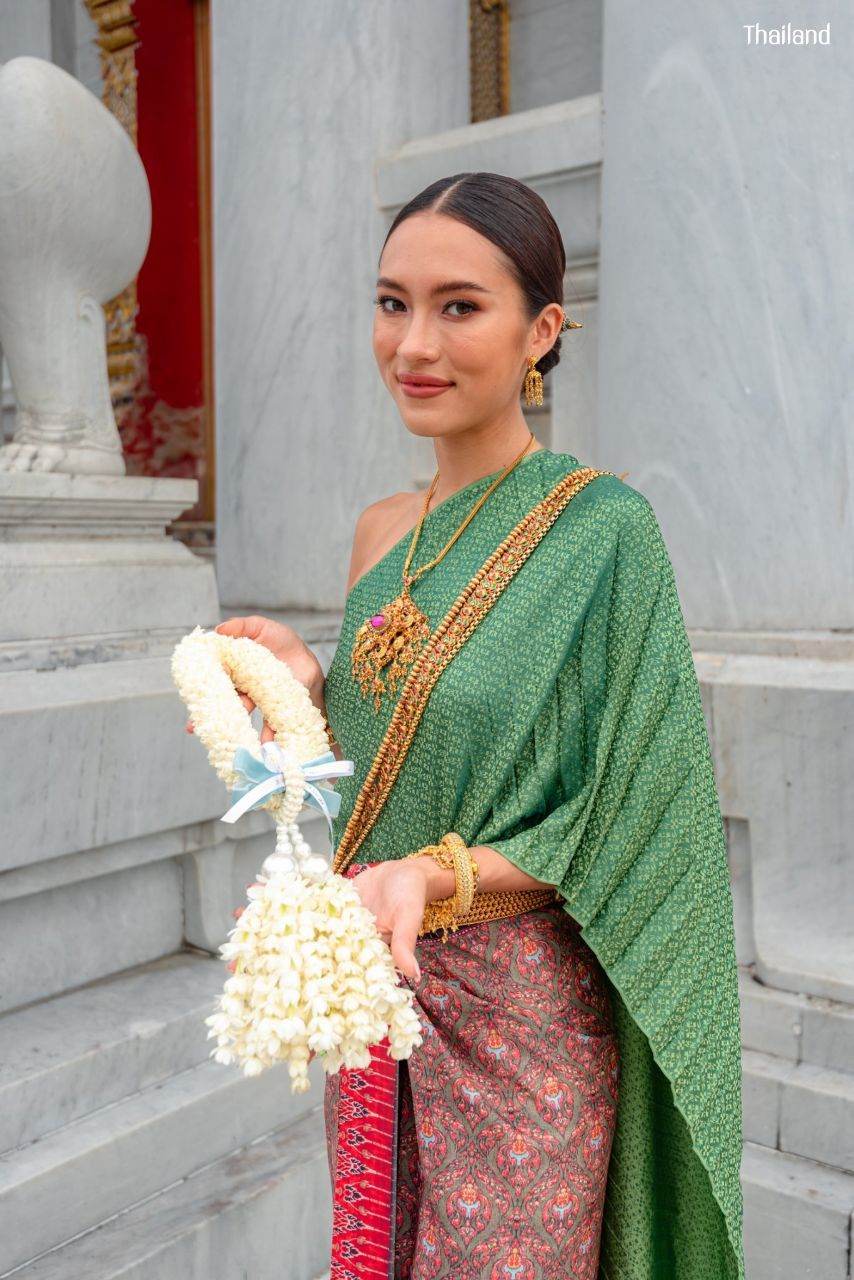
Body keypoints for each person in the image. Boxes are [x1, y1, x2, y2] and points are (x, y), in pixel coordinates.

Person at [198, 172, 745, 1280]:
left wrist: (434, 877)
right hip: (379, 993)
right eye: (391, 301)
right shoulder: (379, 532)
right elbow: (380, 771)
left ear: (540, 328)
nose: (412, 342)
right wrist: (304, 690)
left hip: (521, 1022)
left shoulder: (601, 531)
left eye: (459, 305)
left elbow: (621, 814)